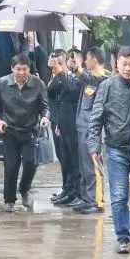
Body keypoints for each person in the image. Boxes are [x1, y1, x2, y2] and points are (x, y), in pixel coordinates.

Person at [89, 46, 130, 253]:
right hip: (115, 149)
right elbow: (96, 118)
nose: (128, 68)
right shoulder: (106, 87)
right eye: (124, 64)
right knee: (119, 194)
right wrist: (94, 144)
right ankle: (123, 236)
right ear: (117, 65)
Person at [0, 53, 50, 212]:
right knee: (11, 167)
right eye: (18, 69)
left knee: (31, 163)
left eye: (25, 69)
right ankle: (9, 199)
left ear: (29, 69)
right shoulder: (3, 83)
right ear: (12, 69)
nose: (21, 72)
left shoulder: (38, 83)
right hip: (9, 130)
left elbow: (45, 106)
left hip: (30, 130)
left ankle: (24, 189)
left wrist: (45, 117)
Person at [74, 47, 109, 214]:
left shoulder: (104, 79)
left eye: (86, 58)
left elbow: (93, 80)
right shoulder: (88, 78)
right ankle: (87, 198)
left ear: (94, 59)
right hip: (82, 128)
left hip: (94, 131)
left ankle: (96, 201)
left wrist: (77, 69)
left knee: (94, 166)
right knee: (85, 167)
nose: (85, 62)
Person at [49, 49, 82, 205]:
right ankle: (68, 190)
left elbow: (71, 88)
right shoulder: (63, 75)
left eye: (73, 59)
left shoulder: (81, 77)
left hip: (75, 125)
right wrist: (56, 72)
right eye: (68, 59)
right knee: (66, 161)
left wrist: (60, 70)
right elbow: (51, 91)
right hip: (63, 123)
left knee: (76, 162)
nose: (70, 62)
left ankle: (78, 192)